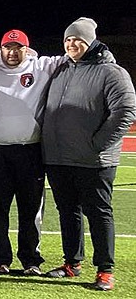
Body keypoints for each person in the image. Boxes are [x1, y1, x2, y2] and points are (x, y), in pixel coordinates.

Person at [41, 17, 135, 291]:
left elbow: (125, 111)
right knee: (67, 212)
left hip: (94, 160)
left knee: (99, 213)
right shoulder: (61, 70)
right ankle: (72, 263)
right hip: (59, 158)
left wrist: (97, 145)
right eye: (68, 39)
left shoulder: (112, 72)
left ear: (90, 41)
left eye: (78, 39)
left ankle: (105, 270)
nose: (72, 44)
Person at [0, 29, 62, 275]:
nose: (12, 53)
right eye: (7, 48)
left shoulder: (42, 67)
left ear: (27, 49)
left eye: (18, 48)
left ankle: (30, 260)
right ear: (1, 49)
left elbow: (75, 53)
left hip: (30, 151)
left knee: (31, 209)